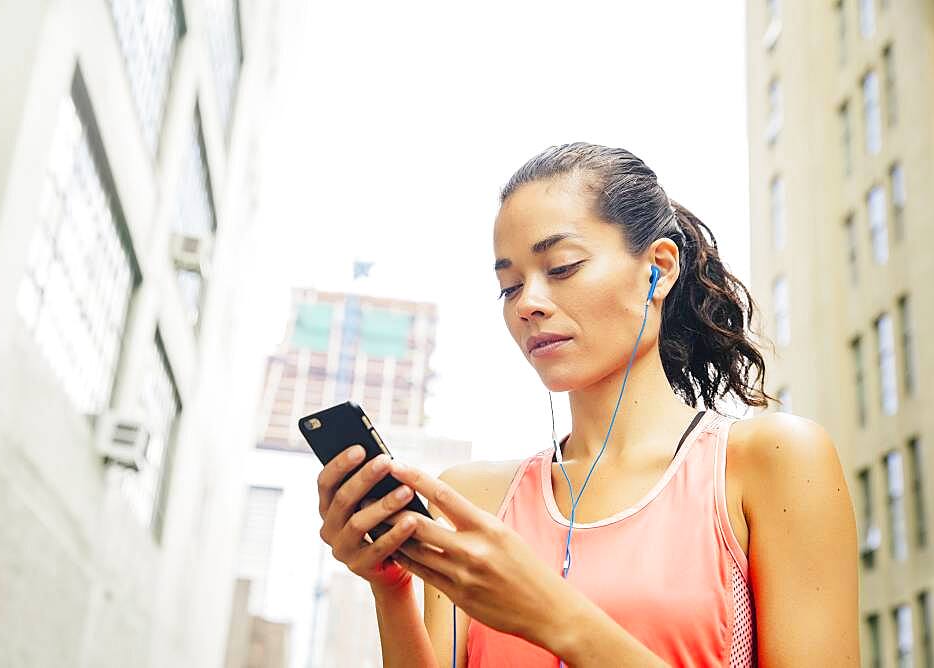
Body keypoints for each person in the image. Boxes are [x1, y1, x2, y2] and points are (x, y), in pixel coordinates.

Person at [316, 143, 860, 666]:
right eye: (508, 287)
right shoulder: (470, 499)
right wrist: (392, 590)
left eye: (563, 267)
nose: (528, 303)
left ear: (659, 269)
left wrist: (557, 619)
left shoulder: (771, 463)